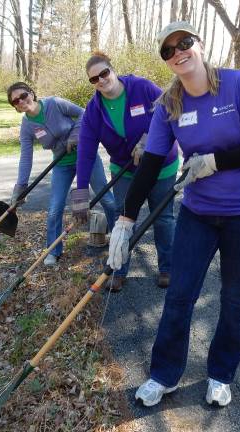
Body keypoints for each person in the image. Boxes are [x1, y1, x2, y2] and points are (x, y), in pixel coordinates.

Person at [106, 21, 240, 407]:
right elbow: (150, 164)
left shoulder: (236, 84)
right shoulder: (168, 104)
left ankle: (220, 374)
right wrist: (125, 220)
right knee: (179, 296)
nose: (178, 52)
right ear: (166, 62)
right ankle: (163, 374)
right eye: (168, 50)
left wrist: (217, 162)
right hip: (199, 213)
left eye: (184, 43)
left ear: (199, 45)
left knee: (235, 299)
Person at [71, 52, 179, 291]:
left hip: (161, 167)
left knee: (163, 219)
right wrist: (80, 193)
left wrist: (150, 140)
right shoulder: (93, 111)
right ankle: (119, 270)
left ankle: (168, 268)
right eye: (94, 79)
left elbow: (171, 110)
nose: (101, 80)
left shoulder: (141, 87)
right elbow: (86, 153)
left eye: (104, 73)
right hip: (125, 170)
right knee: (122, 220)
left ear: (113, 70)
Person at [7, 82, 115, 266]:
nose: (21, 101)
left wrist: (75, 135)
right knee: (54, 209)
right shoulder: (27, 126)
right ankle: (53, 250)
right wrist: (20, 187)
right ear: (15, 107)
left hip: (85, 156)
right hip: (61, 164)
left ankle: (118, 235)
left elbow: (84, 113)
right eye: (16, 101)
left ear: (31, 93)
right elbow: (26, 157)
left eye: (23, 95)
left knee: (106, 199)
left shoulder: (54, 103)